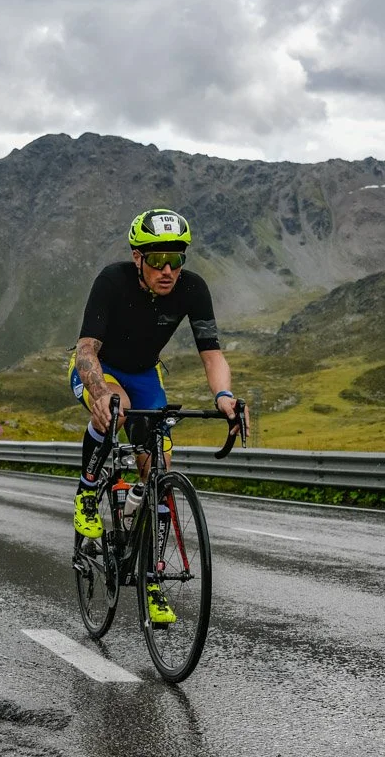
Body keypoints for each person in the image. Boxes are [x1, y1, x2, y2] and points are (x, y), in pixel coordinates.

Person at [67, 208, 240, 624]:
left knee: (159, 471)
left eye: (176, 259)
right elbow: (87, 348)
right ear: (137, 257)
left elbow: (212, 354)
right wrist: (99, 390)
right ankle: (88, 491)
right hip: (101, 368)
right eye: (157, 258)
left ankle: (151, 581)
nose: (167, 269)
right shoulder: (112, 280)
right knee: (118, 409)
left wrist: (224, 396)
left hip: (145, 373)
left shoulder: (193, 289)